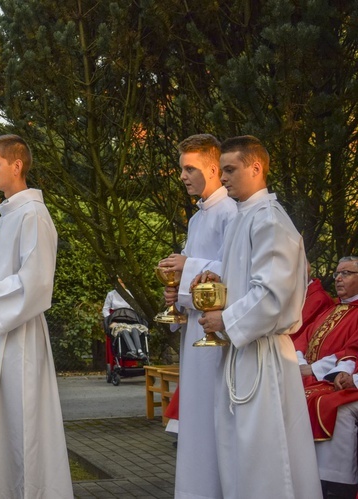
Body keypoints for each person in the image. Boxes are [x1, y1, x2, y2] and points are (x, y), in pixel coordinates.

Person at [196, 135, 321, 498]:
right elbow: (250, 279)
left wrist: (226, 319)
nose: (224, 178)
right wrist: (220, 283)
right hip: (245, 350)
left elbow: (272, 293)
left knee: (265, 454)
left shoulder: (269, 219)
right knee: (239, 450)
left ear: (256, 167)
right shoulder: (243, 216)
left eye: (231, 169)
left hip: (263, 354)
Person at [0, 134, 73, 498]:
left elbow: (38, 283)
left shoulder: (33, 215)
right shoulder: (10, 215)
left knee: (23, 424)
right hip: (4, 332)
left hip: (22, 337)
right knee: (3, 424)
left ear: (17, 165)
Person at [157, 133, 236, 499]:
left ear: (214, 168)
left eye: (190, 168)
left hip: (217, 334)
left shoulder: (232, 213)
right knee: (196, 420)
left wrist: (188, 267)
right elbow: (197, 272)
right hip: (196, 333)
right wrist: (176, 291)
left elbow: (235, 270)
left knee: (213, 418)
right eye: (182, 169)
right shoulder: (197, 219)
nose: (183, 176)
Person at [293, 256, 358, 498]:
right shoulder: (331, 309)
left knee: (327, 404)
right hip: (315, 375)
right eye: (337, 273)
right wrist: (299, 363)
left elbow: (350, 351)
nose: (339, 278)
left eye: (347, 273)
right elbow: (302, 339)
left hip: (331, 378)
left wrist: (315, 370)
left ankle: (337, 482)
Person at [102, 280, 148, 361]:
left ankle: (140, 351)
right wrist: (110, 320)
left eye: (122, 282)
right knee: (123, 331)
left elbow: (135, 308)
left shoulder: (129, 294)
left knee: (135, 329)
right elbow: (105, 309)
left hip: (130, 318)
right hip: (116, 319)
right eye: (118, 283)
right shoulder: (111, 294)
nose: (120, 285)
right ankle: (132, 351)